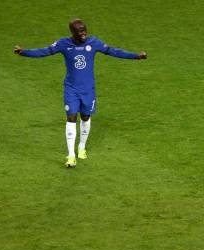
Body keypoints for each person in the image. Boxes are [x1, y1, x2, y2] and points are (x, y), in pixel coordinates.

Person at [14, 19, 147, 167]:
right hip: (71, 89)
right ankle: (71, 155)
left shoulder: (94, 42)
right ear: (73, 32)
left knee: (85, 117)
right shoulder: (63, 44)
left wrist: (136, 56)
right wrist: (24, 52)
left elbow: (113, 51)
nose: (84, 33)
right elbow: (44, 51)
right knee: (71, 118)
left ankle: (81, 147)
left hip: (88, 89)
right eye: (80, 31)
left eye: (85, 30)